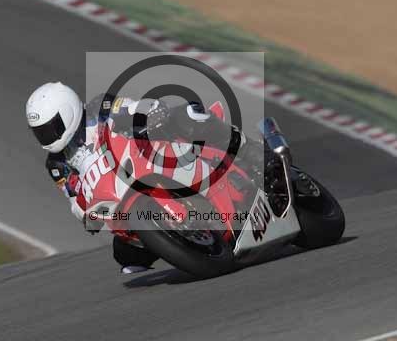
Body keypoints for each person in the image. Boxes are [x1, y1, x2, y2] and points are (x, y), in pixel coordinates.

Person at [25, 82, 273, 274]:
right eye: (39, 132)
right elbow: (74, 197)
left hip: (152, 154)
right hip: (121, 196)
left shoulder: (100, 108)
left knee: (188, 115)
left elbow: (133, 107)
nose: (45, 137)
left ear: (68, 113)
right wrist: (85, 214)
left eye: (49, 129)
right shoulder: (56, 165)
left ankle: (249, 149)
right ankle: (183, 242)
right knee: (124, 255)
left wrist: (151, 112)